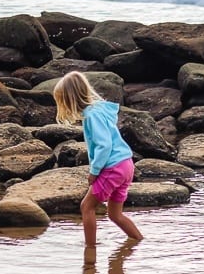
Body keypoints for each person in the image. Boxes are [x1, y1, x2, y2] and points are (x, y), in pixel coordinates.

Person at [53, 71, 143, 250]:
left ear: (71, 99)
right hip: (126, 165)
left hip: (113, 167)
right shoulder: (100, 109)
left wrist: (94, 172)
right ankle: (139, 242)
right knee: (115, 215)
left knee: (86, 207)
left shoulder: (92, 115)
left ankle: (90, 251)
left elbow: (104, 146)